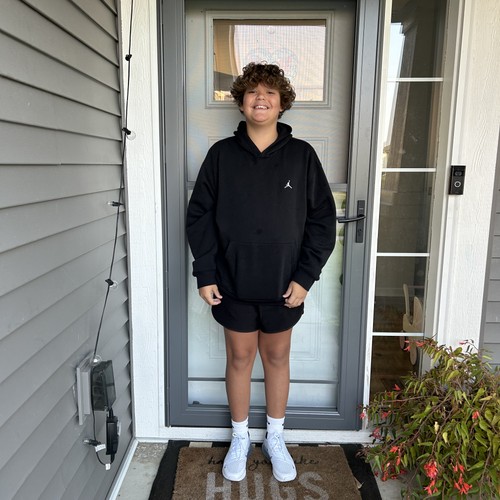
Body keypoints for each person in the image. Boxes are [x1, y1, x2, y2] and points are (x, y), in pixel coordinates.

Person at [186, 62, 336, 483]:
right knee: (239, 357)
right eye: (253, 92)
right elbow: (199, 217)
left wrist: (305, 277)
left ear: (282, 103)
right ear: (241, 102)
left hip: (284, 285)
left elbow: (322, 221)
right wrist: (206, 272)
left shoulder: (302, 156)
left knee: (276, 357)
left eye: (270, 92)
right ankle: (240, 437)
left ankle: (275, 436)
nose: (261, 99)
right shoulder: (221, 156)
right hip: (231, 283)